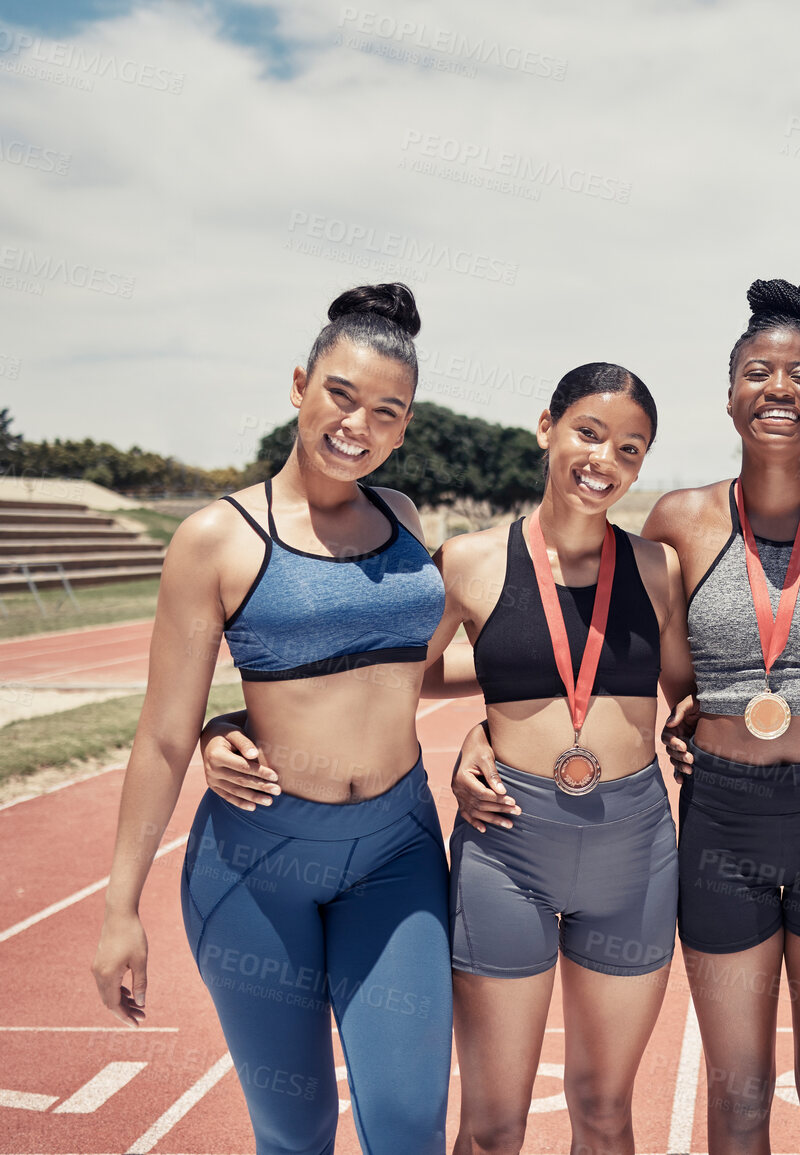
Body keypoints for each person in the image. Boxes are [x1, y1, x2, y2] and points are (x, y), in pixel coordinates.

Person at [202, 363, 693, 1155]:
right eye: (589, 432)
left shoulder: (656, 568)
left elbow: (689, 694)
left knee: (605, 1113)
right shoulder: (467, 562)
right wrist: (226, 722)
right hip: (509, 846)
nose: (605, 458)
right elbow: (389, 672)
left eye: (629, 449)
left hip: (632, 850)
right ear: (547, 428)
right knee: (492, 1128)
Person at [91, 283, 455, 1154]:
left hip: (397, 851)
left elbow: (406, 670)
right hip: (257, 863)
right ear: (299, 385)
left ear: (404, 427)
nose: (357, 425)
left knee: (408, 1124)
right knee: (295, 1130)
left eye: (385, 411)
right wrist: (119, 908)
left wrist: (500, 724)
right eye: (341, 395)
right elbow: (165, 733)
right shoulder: (216, 538)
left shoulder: (402, 517)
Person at [599, 278, 800, 1155]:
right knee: (738, 1094)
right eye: (757, 372)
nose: (779, 388)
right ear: (729, 394)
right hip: (721, 817)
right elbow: (645, 669)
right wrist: (489, 732)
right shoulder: (677, 521)